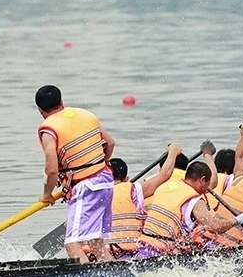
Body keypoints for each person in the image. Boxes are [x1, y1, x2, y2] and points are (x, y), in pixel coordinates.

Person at [36, 85, 116, 263]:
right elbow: (110, 143)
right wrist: (98, 165)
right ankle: (112, 275)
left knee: (72, 244)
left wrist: (46, 195)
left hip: (85, 187)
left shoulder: (48, 130)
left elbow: (52, 170)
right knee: (96, 241)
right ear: (62, 102)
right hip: (106, 181)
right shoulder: (86, 115)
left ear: (40, 111)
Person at [136, 159, 243, 257]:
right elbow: (214, 226)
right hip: (162, 254)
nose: (207, 190)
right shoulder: (194, 201)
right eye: (207, 184)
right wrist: (238, 220)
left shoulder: (166, 186)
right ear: (202, 180)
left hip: (143, 246)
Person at [105, 146, 182, 258]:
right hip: (130, 254)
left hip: (102, 253)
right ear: (126, 179)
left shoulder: (95, 193)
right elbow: (164, 175)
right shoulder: (133, 190)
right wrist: (173, 153)